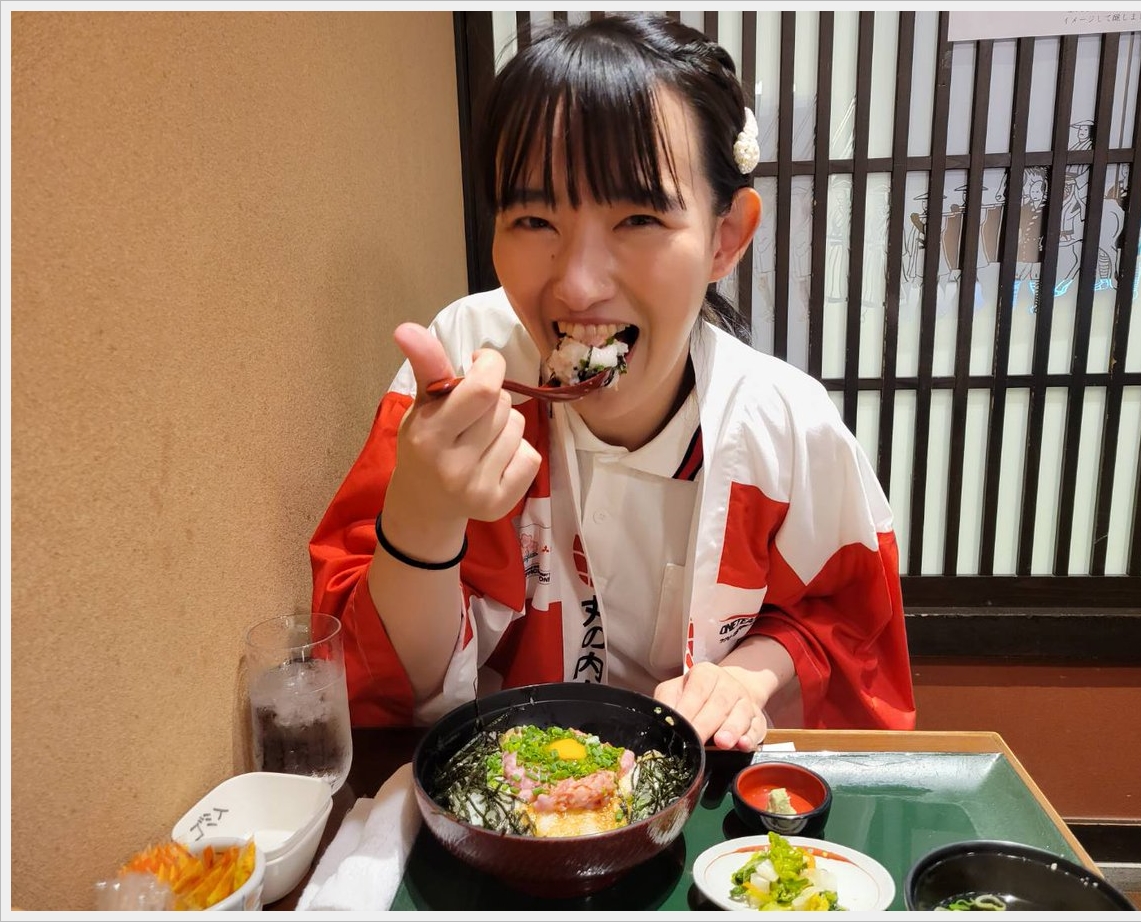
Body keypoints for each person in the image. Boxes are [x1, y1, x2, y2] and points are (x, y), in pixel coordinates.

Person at [310, 14, 915, 751]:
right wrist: (424, 516)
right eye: (533, 219)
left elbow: (845, 623)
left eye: (638, 218)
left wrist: (746, 677)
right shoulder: (463, 372)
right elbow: (377, 687)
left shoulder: (787, 430)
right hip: (505, 790)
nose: (578, 284)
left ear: (725, 237)